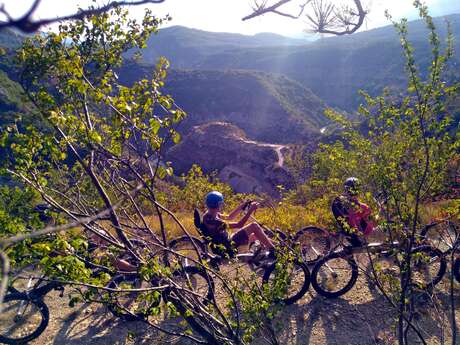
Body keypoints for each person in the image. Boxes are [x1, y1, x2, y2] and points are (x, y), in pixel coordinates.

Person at [201, 191, 275, 258]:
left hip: (226, 241)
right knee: (254, 226)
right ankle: (274, 251)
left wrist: (242, 206)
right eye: (221, 203)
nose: (221, 205)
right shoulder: (215, 221)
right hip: (228, 247)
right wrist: (250, 210)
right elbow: (239, 225)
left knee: (255, 235)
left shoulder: (209, 214)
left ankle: (273, 247)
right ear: (218, 204)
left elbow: (230, 217)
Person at [331, 177, 375, 247]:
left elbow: (360, 206)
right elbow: (351, 217)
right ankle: (352, 238)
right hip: (341, 213)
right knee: (356, 241)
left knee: (365, 211)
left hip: (350, 214)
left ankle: (358, 237)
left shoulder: (352, 199)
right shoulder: (340, 201)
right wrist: (356, 232)